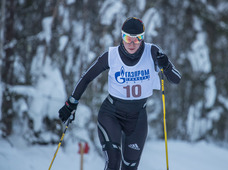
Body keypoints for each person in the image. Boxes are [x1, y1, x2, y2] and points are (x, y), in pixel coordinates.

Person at [58, 17, 181, 170]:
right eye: (128, 38)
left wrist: (166, 65)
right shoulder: (111, 55)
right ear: (122, 36)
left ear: (143, 38)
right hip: (111, 114)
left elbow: (176, 79)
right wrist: (71, 104)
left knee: (129, 167)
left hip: (137, 118)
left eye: (137, 39)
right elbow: (87, 77)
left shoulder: (152, 52)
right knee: (113, 163)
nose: (132, 43)